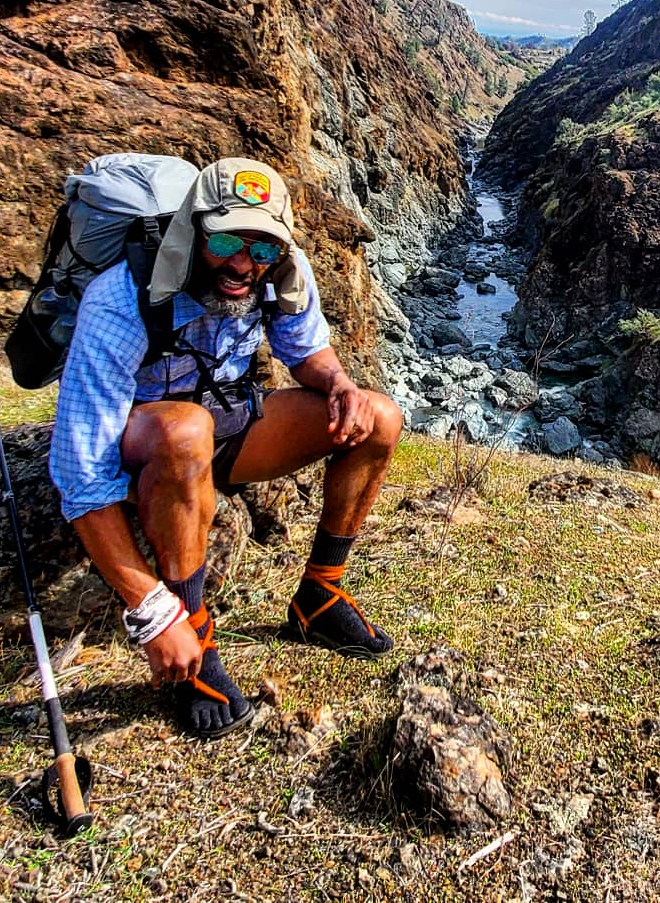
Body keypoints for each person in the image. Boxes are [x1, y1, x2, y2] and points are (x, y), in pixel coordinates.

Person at [47, 157, 402, 739]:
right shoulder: (120, 300)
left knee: (379, 417)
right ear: (194, 231)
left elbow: (303, 347)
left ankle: (319, 594)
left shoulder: (278, 269)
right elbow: (80, 473)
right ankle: (193, 634)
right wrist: (152, 614)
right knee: (184, 430)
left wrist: (340, 384)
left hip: (227, 426)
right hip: (144, 444)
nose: (243, 263)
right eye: (227, 240)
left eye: (262, 248)